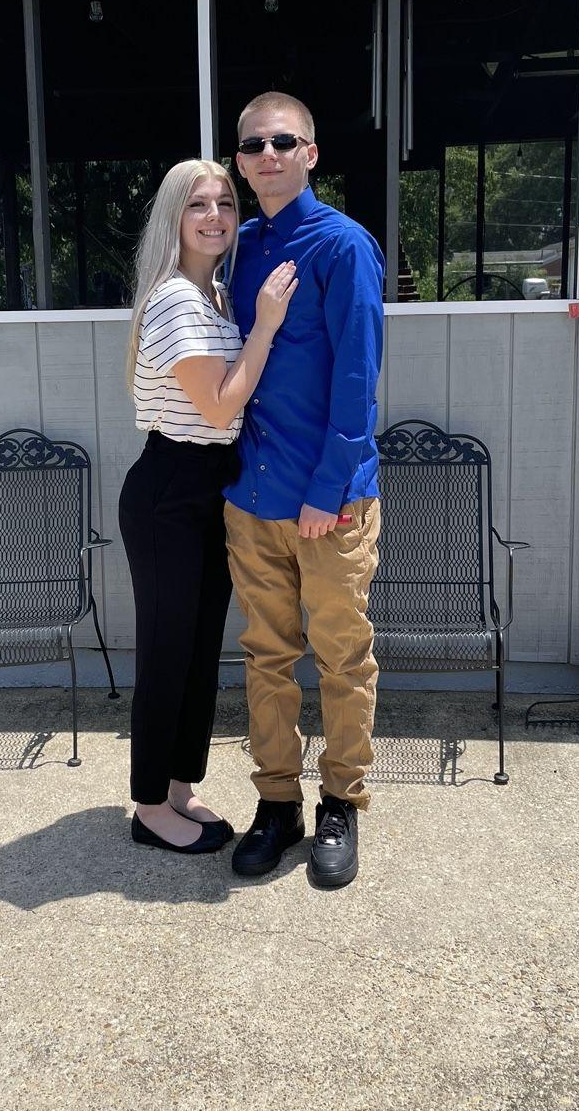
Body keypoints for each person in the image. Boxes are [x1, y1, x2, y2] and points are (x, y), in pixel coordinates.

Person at [222, 93, 385, 888]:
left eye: (283, 141)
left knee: (342, 658)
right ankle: (277, 803)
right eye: (253, 144)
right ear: (240, 160)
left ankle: (341, 802)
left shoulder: (343, 245)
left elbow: (357, 380)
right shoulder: (237, 248)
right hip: (253, 500)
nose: (268, 154)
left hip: (329, 505)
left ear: (310, 154)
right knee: (266, 659)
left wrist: (328, 489)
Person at [119, 159, 298, 854]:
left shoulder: (215, 295)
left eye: (225, 202)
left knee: (197, 649)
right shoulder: (174, 299)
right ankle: (148, 806)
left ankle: (178, 787)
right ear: (175, 216)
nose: (216, 216)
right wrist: (268, 325)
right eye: (199, 204)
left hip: (210, 484)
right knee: (167, 650)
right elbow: (221, 405)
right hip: (170, 487)